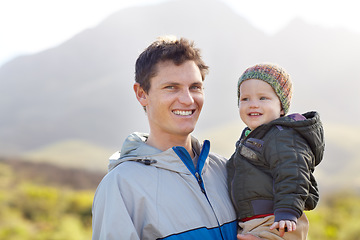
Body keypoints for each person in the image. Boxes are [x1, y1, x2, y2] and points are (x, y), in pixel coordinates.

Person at [92, 36, 262, 240]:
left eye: (195, 87)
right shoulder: (121, 186)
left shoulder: (227, 169)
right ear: (141, 94)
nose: (188, 99)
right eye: (171, 87)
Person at [227, 63, 325, 239]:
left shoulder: (282, 136)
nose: (253, 104)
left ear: (281, 107)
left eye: (263, 98)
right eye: (245, 99)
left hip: (279, 221)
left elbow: (293, 172)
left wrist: (287, 211)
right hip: (256, 221)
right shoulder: (252, 138)